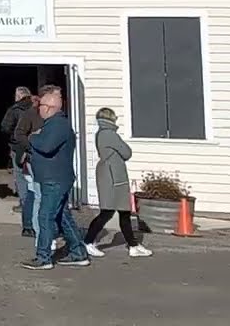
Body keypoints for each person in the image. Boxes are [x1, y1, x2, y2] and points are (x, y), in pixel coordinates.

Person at [22, 86, 91, 270]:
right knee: (62, 217)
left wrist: (33, 138)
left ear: (49, 108)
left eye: (41, 106)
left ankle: (43, 257)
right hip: (54, 177)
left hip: (55, 179)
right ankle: (78, 253)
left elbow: (46, 146)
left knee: (45, 216)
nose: (39, 109)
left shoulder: (58, 125)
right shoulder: (53, 124)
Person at [84, 108, 152, 258]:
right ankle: (88, 241)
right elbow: (127, 152)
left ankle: (133, 245)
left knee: (124, 212)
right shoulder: (109, 134)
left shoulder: (101, 133)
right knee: (107, 212)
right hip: (112, 178)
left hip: (113, 177)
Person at [12, 93, 44, 237]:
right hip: (30, 158)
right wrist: (30, 147)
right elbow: (18, 133)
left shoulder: (45, 116)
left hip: (40, 157)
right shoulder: (29, 114)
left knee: (36, 192)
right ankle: (29, 225)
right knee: (32, 192)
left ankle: (35, 224)